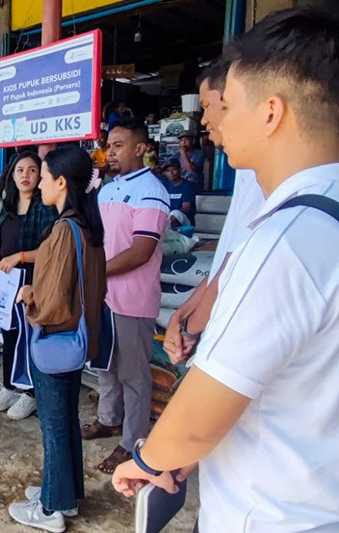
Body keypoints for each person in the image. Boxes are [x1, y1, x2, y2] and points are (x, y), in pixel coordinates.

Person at [113, 8, 339, 532]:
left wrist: (148, 461)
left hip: (272, 515)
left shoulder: (289, 239)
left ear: (271, 113)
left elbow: (208, 403)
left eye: (227, 105)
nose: (212, 124)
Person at [7, 146, 107, 532]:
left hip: (54, 338)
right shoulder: (86, 226)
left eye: (45, 176)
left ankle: (51, 509)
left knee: (54, 424)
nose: (41, 183)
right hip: (75, 339)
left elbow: (52, 300)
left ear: (61, 182)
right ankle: (64, 492)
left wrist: (29, 298)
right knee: (64, 419)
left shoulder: (65, 230)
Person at [81, 116, 169, 474]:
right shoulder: (107, 189)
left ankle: (132, 442)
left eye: (118, 145)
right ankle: (108, 418)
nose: (110, 152)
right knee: (105, 365)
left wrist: (95, 273)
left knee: (133, 374)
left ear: (140, 148)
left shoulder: (152, 190)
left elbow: (141, 251)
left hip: (132, 299)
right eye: (108, 146)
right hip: (103, 296)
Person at [164, 58, 264, 364]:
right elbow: (225, 261)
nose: (204, 120)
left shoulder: (267, 179)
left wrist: (191, 331)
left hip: (235, 336)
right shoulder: (247, 171)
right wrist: (181, 313)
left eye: (208, 106)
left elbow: (238, 263)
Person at [0, 151, 57, 420]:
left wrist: (20, 257)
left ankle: (31, 393)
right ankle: (9, 385)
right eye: (20, 170)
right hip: (6, 283)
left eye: (32, 170)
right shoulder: (7, 207)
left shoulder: (45, 207)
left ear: (40, 177)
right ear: (12, 176)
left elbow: (52, 250)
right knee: (10, 334)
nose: (25, 175)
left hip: (32, 283)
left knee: (31, 337)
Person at [161, 158, 196, 226]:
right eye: (168, 171)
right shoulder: (165, 186)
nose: (171, 173)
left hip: (185, 222)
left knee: (175, 214)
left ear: (180, 170)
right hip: (168, 218)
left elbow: (186, 209)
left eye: (173, 169)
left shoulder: (187, 186)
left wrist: (170, 215)